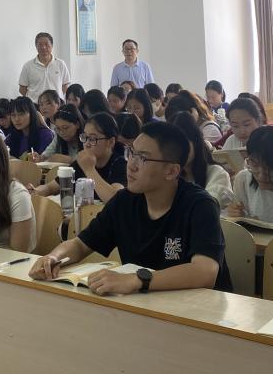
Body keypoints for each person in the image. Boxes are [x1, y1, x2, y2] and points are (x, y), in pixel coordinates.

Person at [29, 121, 231, 294]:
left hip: (200, 312)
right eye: (131, 153)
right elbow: (80, 244)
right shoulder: (124, 201)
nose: (131, 165)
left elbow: (205, 272)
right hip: (148, 305)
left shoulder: (200, 205)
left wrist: (138, 280)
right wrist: (53, 257)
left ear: (171, 171)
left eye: (142, 158)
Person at [31, 113, 126, 203]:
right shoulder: (80, 163)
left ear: (111, 142)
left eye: (92, 139)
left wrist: (89, 170)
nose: (86, 144)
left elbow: (115, 199)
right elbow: (51, 187)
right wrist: (35, 191)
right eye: (85, 137)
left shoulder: (120, 163)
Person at [171, 113, 232, 208]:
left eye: (184, 146)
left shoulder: (216, 173)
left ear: (196, 144)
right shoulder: (170, 175)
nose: (179, 152)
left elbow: (206, 208)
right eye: (173, 148)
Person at [18, 32, 70, 100]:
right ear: (36, 46)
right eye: (40, 45)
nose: (43, 47)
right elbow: (22, 89)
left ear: (52, 45)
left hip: (56, 104)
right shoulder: (28, 66)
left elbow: (65, 86)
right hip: (35, 104)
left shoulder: (60, 64)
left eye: (46, 44)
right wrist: (34, 99)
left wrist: (54, 100)